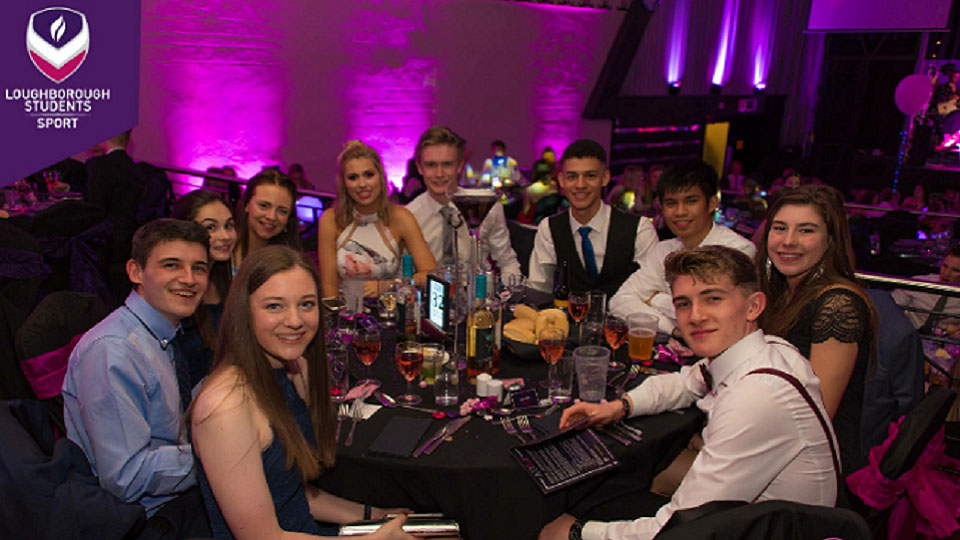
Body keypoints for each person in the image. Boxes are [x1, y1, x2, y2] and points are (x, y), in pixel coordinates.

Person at [539, 246, 839, 540]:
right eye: (683, 303)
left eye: (713, 299)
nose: (695, 316)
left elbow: (684, 527)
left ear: (753, 306)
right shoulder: (766, 349)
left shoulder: (756, 396)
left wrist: (578, 534)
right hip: (759, 519)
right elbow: (685, 382)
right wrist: (620, 406)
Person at [190, 246, 414, 540]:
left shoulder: (288, 370)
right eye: (275, 306)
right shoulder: (225, 408)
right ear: (244, 312)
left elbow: (291, 492)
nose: (295, 320)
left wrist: (373, 514)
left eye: (306, 304)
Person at [61, 219, 212, 536]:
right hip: (146, 520)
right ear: (135, 271)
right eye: (172, 265)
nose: (189, 279)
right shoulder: (113, 352)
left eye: (199, 268)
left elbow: (168, 416)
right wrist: (220, 453)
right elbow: (127, 478)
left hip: (174, 496)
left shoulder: (161, 334)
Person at [756, 184, 876, 473]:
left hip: (809, 465)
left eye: (806, 230)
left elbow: (816, 416)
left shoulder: (837, 304)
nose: (788, 241)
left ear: (830, 241)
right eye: (780, 228)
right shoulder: (781, 292)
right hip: (772, 439)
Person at [609, 159, 756, 335]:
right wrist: (671, 329)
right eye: (671, 203)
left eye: (691, 201)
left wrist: (656, 300)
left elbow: (707, 316)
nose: (680, 212)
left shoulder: (737, 250)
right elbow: (619, 302)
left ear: (711, 203)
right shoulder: (663, 250)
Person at [528, 139, 658, 298]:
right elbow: (538, 289)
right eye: (572, 176)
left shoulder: (639, 229)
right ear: (562, 180)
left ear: (605, 178)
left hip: (623, 320)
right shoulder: (548, 228)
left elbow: (653, 291)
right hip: (566, 320)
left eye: (590, 176)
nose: (580, 185)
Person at [319, 140, 436, 303]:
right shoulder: (330, 220)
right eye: (353, 177)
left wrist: (389, 285)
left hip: (388, 313)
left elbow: (431, 274)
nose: (362, 184)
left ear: (380, 177)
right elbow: (328, 286)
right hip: (345, 315)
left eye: (369, 175)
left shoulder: (401, 217)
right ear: (344, 184)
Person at [405, 127, 521, 280]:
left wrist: (510, 293)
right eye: (431, 165)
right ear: (420, 168)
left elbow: (507, 262)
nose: (439, 174)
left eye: (447, 164)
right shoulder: (408, 216)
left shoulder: (486, 206)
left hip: (479, 297)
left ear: (459, 166)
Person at [171, 189, 237, 384]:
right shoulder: (176, 288)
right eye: (211, 228)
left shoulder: (226, 282)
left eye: (229, 226)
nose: (224, 236)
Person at [86, 129, 144, 303]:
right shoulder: (137, 169)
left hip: (106, 244)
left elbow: (94, 208)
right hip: (129, 240)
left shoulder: (98, 166)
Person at [892, 243, 960, 338]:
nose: (946, 273)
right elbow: (889, 307)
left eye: (955, 270)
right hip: (908, 337)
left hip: (945, 346)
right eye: (945, 266)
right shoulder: (919, 283)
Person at [236, 168, 301, 265]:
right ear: (247, 205)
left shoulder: (292, 264)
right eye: (263, 206)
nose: (272, 216)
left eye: (282, 211)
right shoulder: (222, 249)